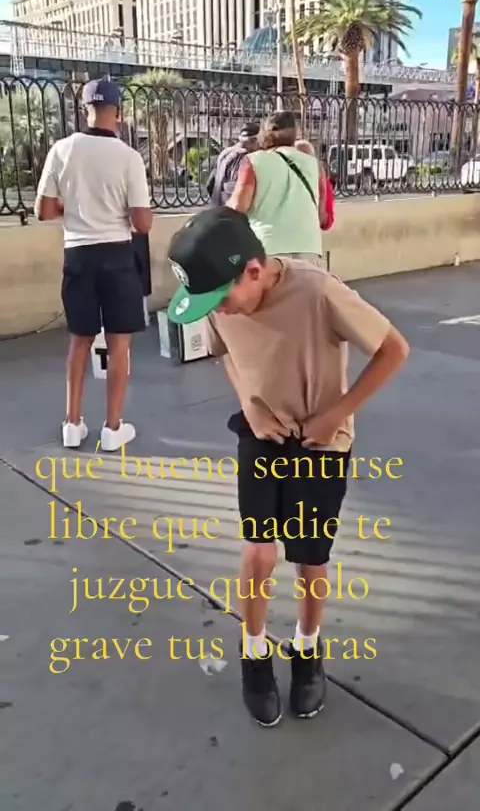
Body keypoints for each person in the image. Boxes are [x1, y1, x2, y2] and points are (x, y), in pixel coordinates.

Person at [166, 206, 409, 728]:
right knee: (259, 554)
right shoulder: (217, 300)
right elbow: (226, 352)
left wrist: (337, 414)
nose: (219, 311)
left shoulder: (317, 292)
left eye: (222, 299)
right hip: (261, 435)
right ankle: (254, 653)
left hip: (321, 443)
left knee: (309, 559)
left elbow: (394, 349)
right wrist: (249, 405)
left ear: (253, 271)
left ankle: (307, 647)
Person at [34, 79, 153, 451]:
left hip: (78, 255)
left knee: (80, 340)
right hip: (117, 255)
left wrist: (76, 209)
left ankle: (72, 424)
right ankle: (113, 429)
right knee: (119, 344)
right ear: (118, 112)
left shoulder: (62, 149)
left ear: (85, 109)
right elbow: (142, 223)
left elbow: (43, 211)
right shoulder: (128, 157)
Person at [227, 111, 327, 267]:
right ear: (295, 134)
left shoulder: (254, 161)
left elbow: (238, 207)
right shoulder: (314, 165)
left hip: (268, 249)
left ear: (264, 133)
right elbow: (321, 216)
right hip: (309, 249)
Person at [206, 122, 260, 206]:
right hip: (235, 208)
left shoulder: (225, 153)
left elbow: (210, 183)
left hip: (218, 204)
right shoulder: (248, 158)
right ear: (254, 141)